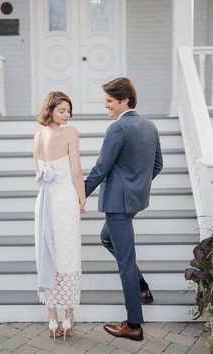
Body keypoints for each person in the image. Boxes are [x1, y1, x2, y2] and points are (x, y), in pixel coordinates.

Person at [85, 77, 163, 341]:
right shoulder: (150, 126)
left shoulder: (117, 129)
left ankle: (133, 324)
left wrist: (78, 194)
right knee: (106, 238)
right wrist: (137, 186)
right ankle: (142, 288)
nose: (106, 105)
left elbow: (101, 168)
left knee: (125, 261)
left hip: (119, 204)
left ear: (124, 100)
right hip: (134, 201)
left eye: (109, 100)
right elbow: (158, 165)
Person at [34, 91, 85, 342]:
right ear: (51, 109)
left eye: (69, 110)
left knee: (48, 252)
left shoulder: (38, 136)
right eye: (62, 110)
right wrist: (82, 197)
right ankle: (68, 319)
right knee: (67, 253)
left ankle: (52, 320)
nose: (67, 115)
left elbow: (38, 175)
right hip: (64, 200)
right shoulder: (70, 132)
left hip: (44, 202)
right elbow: (76, 171)